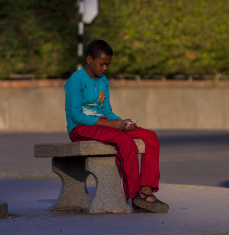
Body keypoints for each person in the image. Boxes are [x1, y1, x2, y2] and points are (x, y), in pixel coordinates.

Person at [64, 39, 168, 213]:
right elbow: (76, 115)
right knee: (123, 140)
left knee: (150, 136)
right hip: (79, 128)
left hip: (102, 124)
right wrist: (110, 123)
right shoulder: (76, 80)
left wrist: (123, 122)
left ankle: (146, 190)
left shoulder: (103, 80)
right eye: (101, 64)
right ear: (89, 59)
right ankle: (134, 195)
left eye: (108, 65)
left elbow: (106, 111)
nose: (104, 68)